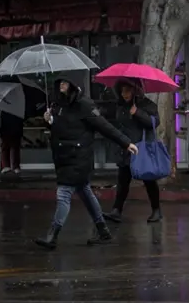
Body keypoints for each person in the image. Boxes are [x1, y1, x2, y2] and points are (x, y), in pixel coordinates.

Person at [35, 75, 138, 250]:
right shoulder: (58, 104)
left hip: (79, 157)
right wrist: (49, 122)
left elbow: (104, 126)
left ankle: (53, 235)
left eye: (66, 82)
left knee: (64, 194)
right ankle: (103, 231)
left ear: (73, 84)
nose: (62, 85)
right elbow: (60, 129)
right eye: (60, 82)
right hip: (63, 157)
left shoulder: (85, 105)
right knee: (85, 192)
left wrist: (126, 143)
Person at [104, 79, 162, 224]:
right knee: (123, 180)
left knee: (148, 180)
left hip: (141, 147)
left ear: (135, 90)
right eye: (122, 91)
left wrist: (138, 113)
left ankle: (156, 209)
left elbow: (154, 122)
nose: (125, 94)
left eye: (128, 90)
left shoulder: (147, 104)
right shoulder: (121, 105)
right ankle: (117, 210)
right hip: (126, 147)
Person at [0, 110, 24, 175]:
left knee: (5, 147)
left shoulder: (3, 106)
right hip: (15, 126)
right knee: (14, 147)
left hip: (5, 127)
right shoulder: (18, 106)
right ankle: (15, 166)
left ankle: (6, 166)